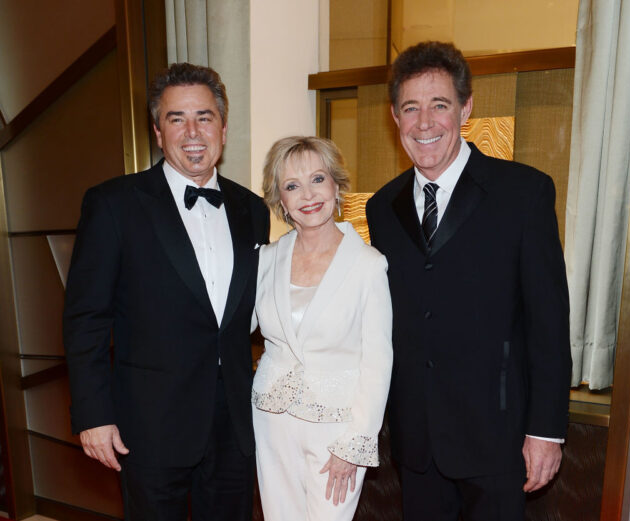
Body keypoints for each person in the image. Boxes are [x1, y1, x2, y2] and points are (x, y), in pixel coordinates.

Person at [365, 41, 572, 521]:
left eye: (440, 105)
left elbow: (548, 321)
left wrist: (546, 431)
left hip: (499, 440)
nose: (424, 122)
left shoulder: (524, 192)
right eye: (410, 108)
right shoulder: (381, 207)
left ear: (466, 108)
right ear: (395, 117)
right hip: (416, 443)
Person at [63, 63, 270, 521]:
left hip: (234, 424)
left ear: (223, 127)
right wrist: (93, 414)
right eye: (177, 119)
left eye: (205, 117)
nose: (193, 132)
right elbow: (86, 318)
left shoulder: (251, 208)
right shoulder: (113, 204)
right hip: (150, 424)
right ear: (158, 132)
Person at [251, 136, 393, 521]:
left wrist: (355, 443)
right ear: (280, 199)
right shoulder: (266, 259)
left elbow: (378, 363)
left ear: (336, 184)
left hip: (337, 431)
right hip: (271, 421)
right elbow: (230, 327)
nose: (308, 195)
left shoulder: (367, 265)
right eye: (292, 186)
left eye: (317, 179)